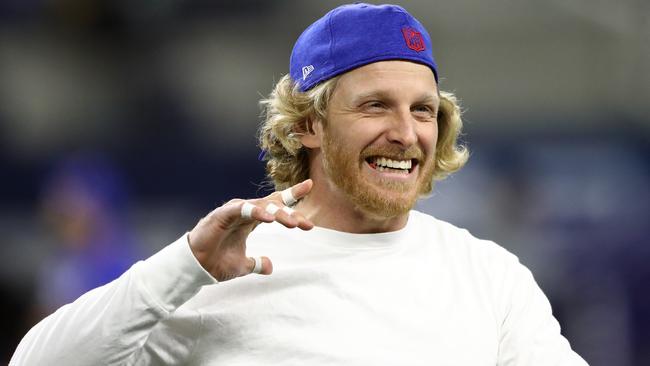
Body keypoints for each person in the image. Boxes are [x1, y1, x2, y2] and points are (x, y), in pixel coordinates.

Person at [11, 3, 588, 365]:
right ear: (308, 125)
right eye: (375, 106)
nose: (406, 133)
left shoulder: (488, 275)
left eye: (423, 110)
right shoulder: (222, 269)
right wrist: (184, 264)